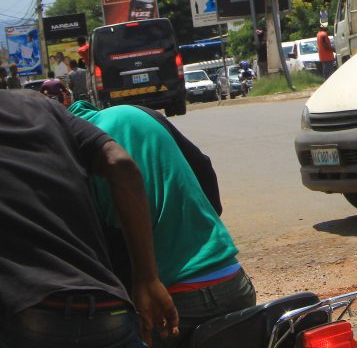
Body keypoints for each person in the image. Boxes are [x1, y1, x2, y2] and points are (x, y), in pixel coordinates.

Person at [68, 100, 256, 343]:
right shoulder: (138, 113)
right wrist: (196, 235)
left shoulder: (75, 155)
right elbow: (203, 167)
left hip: (166, 303)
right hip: (231, 281)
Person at [0, 90, 178, 347]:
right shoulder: (39, 105)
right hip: (107, 305)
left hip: (26, 311)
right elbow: (121, 163)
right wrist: (147, 279)